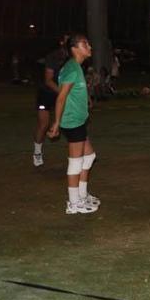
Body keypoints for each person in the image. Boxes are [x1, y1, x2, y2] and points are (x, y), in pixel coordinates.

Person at [47, 34, 100, 215]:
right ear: (74, 48)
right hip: (72, 121)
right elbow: (61, 97)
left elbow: (73, 92)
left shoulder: (75, 67)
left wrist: (86, 99)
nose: (89, 47)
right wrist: (56, 122)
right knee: (76, 162)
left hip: (79, 119)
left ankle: (82, 195)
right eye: (85, 44)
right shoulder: (72, 68)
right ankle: (74, 203)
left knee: (89, 156)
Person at [32, 35, 69, 167]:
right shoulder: (53, 56)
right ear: (61, 42)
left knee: (71, 122)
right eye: (66, 39)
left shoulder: (72, 58)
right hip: (46, 93)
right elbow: (48, 80)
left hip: (61, 93)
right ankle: (37, 152)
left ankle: (80, 151)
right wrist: (63, 92)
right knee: (44, 124)